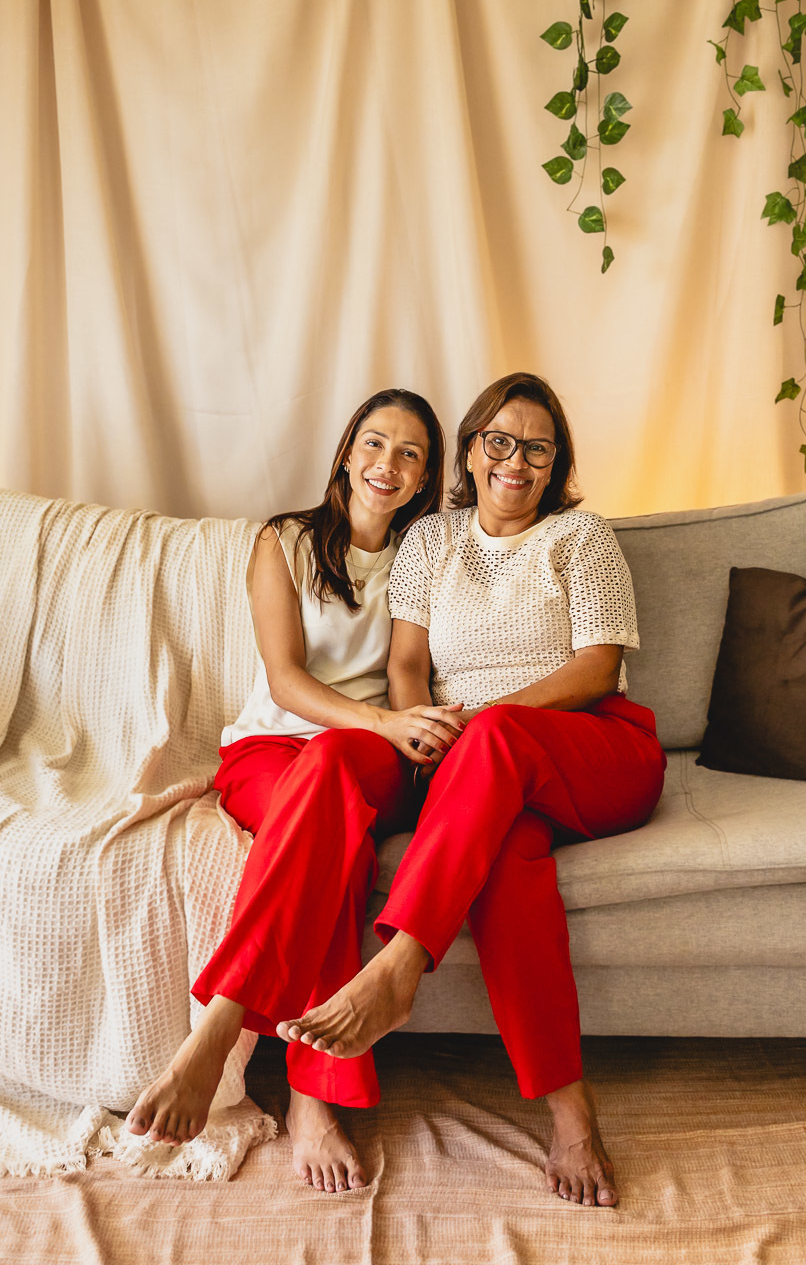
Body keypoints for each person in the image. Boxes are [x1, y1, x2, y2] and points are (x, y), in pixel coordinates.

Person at [278, 372, 667, 1208]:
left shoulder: (580, 536)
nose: (514, 462)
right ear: (470, 450)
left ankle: (399, 964)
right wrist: (423, 730)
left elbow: (596, 668)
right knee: (508, 866)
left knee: (494, 737)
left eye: (536, 448)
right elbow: (406, 663)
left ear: (556, 462)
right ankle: (570, 1114)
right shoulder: (431, 541)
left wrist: (482, 723)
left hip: (594, 750)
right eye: (498, 441)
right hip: (481, 773)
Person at [127, 389, 464, 1194]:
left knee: (333, 776)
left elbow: (407, 671)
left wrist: (404, 730)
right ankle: (315, 1098)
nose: (388, 464)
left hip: (366, 756)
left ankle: (221, 1019)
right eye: (374, 443)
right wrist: (381, 721)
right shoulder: (283, 542)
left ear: (424, 478)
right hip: (271, 751)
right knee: (329, 832)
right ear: (346, 454)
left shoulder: (424, 555)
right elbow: (284, 679)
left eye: (410, 453)